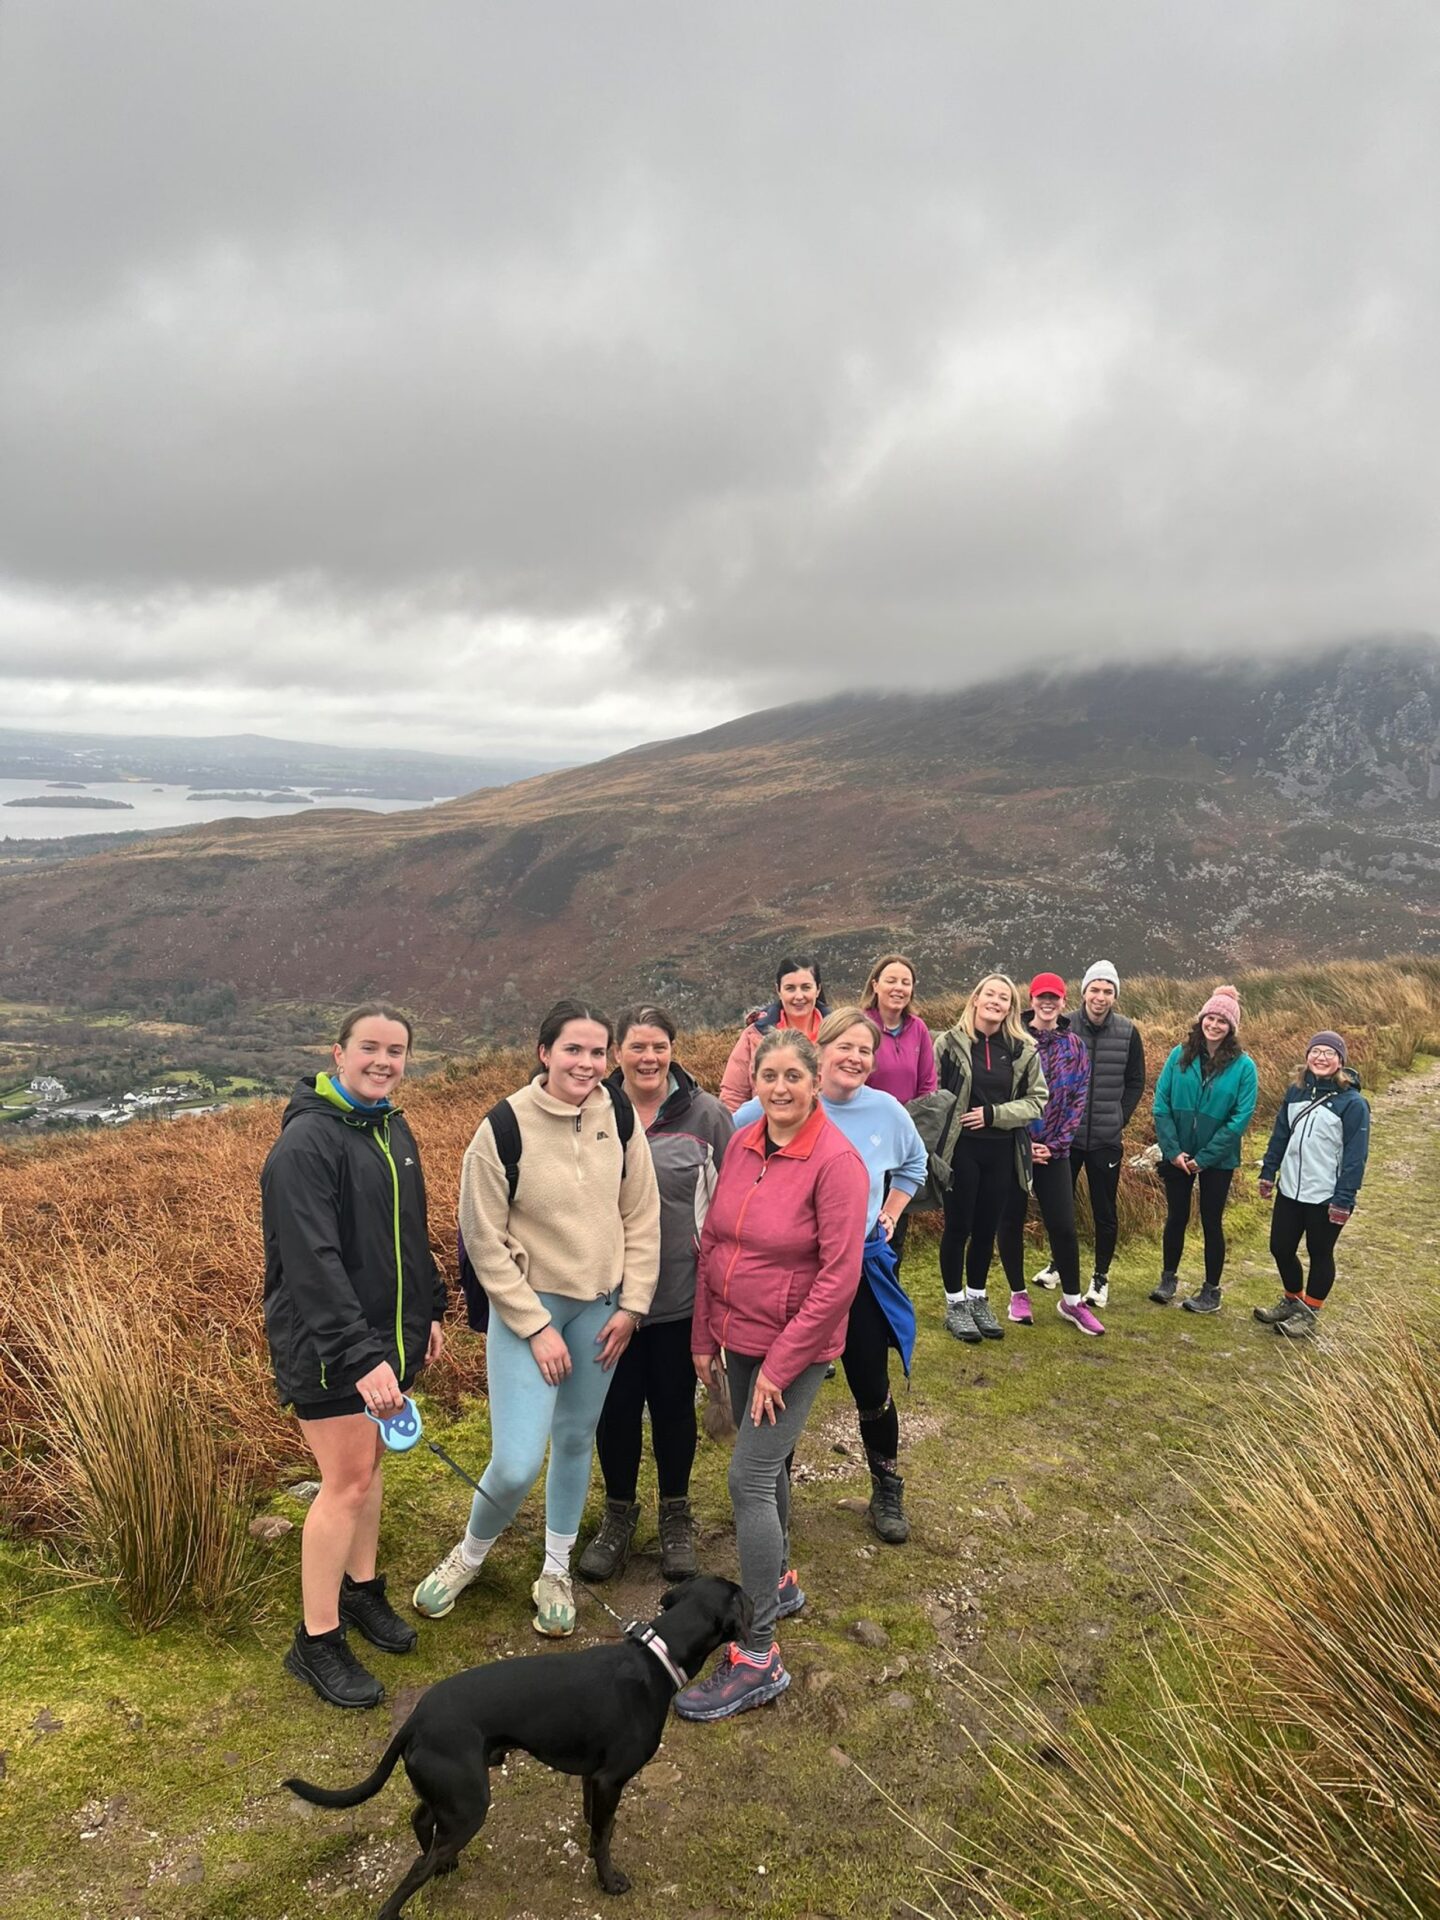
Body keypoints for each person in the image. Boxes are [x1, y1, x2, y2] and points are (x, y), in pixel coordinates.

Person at [413, 1001, 660, 1637]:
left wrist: (634, 1305)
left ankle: (555, 1569)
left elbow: (641, 1214)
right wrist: (535, 1325)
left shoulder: (621, 1115)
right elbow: (482, 1235)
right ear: (544, 1052)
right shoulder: (503, 1127)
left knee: (577, 1439)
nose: (587, 1063)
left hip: (603, 1308)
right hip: (532, 1309)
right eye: (573, 1049)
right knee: (519, 1460)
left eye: (597, 1052)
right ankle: (469, 1555)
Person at [674, 1030, 868, 1721]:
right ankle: (778, 1580)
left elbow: (840, 1277)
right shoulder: (742, 1143)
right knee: (771, 1465)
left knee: (749, 1477)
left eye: (793, 1075)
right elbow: (716, 1244)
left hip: (799, 1346)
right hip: (737, 1333)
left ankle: (758, 1657)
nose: (780, 1088)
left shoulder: (837, 1163)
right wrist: (705, 1335)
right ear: (752, 1081)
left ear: (815, 1082)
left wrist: (779, 1367)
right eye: (768, 1076)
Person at [261, 1003, 447, 1710]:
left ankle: (363, 1591)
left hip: (384, 1341)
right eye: (369, 1048)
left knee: (368, 1473)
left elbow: (409, 1228)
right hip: (330, 1351)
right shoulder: (305, 1146)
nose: (383, 1061)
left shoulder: (389, 1126)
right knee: (342, 1483)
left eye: (396, 1051)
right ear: (336, 1053)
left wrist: (429, 1307)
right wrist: (361, 1357)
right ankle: (316, 1639)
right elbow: (313, 1266)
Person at [732, 1007, 927, 1544]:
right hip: (790, 1274)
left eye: (867, 1051)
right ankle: (773, 1495)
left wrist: (888, 1213)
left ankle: (886, 1487)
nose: (857, 1058)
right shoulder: (776, 1104)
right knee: (779, 1387)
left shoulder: (887, 1112)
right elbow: (729, 1154)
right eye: (846, 1047)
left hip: (857, 1270)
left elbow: (915, 1166)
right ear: (822, 1052)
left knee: (871, 1385)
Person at [578, 1005, 733, 1582]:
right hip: (601, 1301)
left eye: (659, 1046)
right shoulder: (591, 1109)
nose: (649, 1058)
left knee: (672, 1411)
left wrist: (718, 1304)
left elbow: (727, 1216)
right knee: (613, 1413)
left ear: (673, 1048)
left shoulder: (709, 1117)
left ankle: (676, 1514)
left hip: (677, 1299)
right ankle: (617, 1515)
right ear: (616, 1051)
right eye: (637, 1046)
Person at [932, 975, 1048, 1344]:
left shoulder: (1021, 1049)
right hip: (960, 1149)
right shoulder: (948, 1043)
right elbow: (931, 1092)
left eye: (1005, 998)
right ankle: (954, 1305)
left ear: (1011, 1007)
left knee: (986, 1229)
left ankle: (977, 1298)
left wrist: (994, 1114)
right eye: (990, 994)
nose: (996, 1001)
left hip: (1001, 1151)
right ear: (976, 999)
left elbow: (1037, 1099)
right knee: (958, 1227)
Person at [997, 973, 1103, 1335]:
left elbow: (1078, 1100)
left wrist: (1056, 1145)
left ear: (1063, 1000)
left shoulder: (1075, 1046)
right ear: (1031, 999)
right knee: (1009, 1221)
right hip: (1014, 1147)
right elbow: (1005, 1095)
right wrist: (1025, 1142)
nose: (1047, 1003)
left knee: (1062, 1225)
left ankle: (1072, 1301)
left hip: (1055, 1151)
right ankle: (1018, 1294)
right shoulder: (1013, 1040)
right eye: (1041, 997)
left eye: (1054, 997)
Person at [1254, 1032, 1370, 1340]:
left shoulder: (1353, 1104)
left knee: (1320, 1252)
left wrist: (1344, 1198)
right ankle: (1291, 1300)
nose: (1321, 1057)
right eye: (1316, 1051)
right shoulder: (1296, 1092)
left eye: (1329, 1053)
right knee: (1280, 1247)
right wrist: (1269, 1171)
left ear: (1341, 1061)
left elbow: (1356, 1157)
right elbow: (1281, 1135)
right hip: (1290, 1188)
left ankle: (1309, 1313)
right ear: (1307, 1057)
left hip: (1327, 1195)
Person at [1150, 986, 1258, 1314]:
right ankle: (1168, 1279)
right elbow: (1161, 1104)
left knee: (1212, 1221)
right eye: (1210, 1018)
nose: (1214, 1025)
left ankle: (1211, 1292)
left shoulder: (1244, 1067)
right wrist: (1174, 1151)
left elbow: (1240, 1118)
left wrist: (1205, 1158)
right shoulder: (1178, 1055)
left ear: (1231, 1028)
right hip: (1178, 1154)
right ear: (1201, 1020)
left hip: (1218, 1159)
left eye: (1222, 1021)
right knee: (1176, 1217)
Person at [1062, 961, 1148, 1308]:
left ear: (1115, 996)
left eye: (1107, 991)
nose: (1100, 997)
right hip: (1066, 1138)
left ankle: (1100, 1277)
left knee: (1105, 1211)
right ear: (1083, 992)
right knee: (1061, 1207)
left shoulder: (1128, 1031)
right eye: (1095, 989)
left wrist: (1119, 1117)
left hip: (1105, 1140)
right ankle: (1059, 1264)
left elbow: (1136, 1081)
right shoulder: (1064, 1025)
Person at [860, 952, 937, 1267]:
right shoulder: (860, 1024)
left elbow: (927, 1087)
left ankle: (888, 1294)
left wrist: (909, 1134)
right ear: (875, 985)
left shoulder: (918, 1028)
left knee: (894, 1228)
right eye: (891, 980)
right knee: (860, 1224)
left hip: (903, 1143)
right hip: (864, 1143)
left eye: (906, 982)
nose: (898, 988)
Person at [718, 954, 828, 1112]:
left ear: (818, 990)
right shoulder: (753, 1035)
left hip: (827, 1131)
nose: (798, 996)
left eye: (806, 987)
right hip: (768, 1132)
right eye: (790, 988)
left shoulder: (839, 1035)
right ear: (778, 990)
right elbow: (733, 1095)